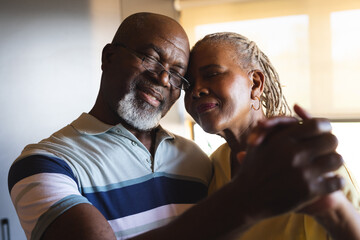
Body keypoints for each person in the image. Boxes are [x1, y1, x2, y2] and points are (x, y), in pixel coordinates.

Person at [8, 13, 345, 240]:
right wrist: (245, 200)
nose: (164, 78)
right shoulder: (45, 164)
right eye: (152, 57)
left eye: (177, 72)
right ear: (109, 57)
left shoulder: (197, 161)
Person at [184, 32, 360, 240]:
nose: (196, 90)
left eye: (212, 74)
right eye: (188, 84)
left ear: (256, 83)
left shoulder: (304, 156)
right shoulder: (214, 165)